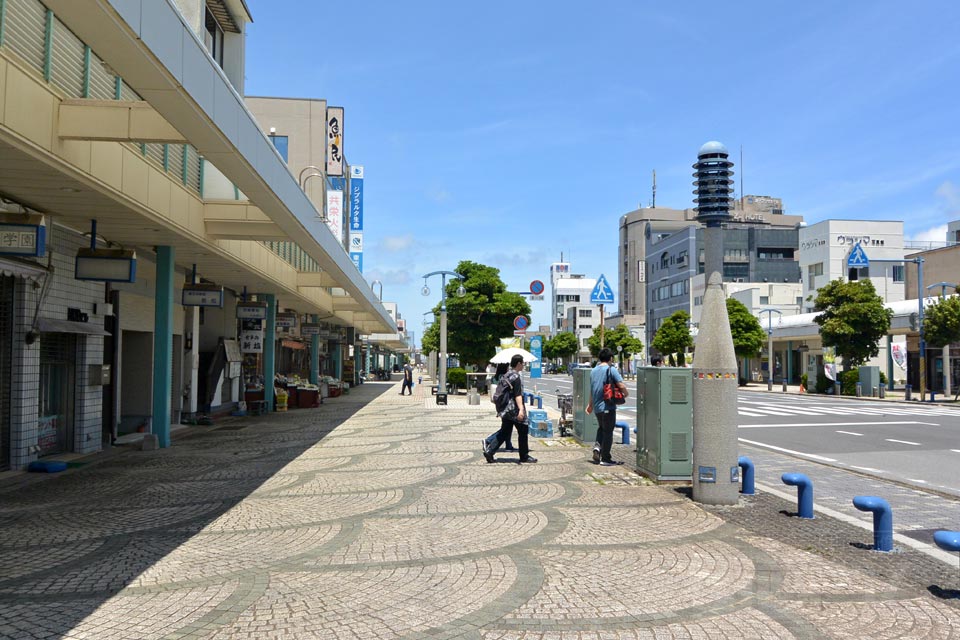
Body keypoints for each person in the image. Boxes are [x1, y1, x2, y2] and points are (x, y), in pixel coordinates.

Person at [483, 354, 536, 463]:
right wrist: (521, 410)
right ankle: (524, 456)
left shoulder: (507, 374)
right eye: (523, 363)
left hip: (504, 409)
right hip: (513, 409)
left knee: (505, 431)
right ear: (519, 363)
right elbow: (517, 395)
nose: (523, 365)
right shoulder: (516, 377)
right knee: (523, 430)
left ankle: (490, 451)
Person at [586, 347, 629, 466]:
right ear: (610, 358)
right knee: (608, 431)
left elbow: (592, 389)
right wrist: (625, 393)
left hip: (597, 408)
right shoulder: (611, 369)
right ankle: (606, 458)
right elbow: (620, 384)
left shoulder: (593, 371)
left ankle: (597, 448)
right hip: (608, 406)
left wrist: (590, 405)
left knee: (601, 428)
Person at [487, 362, 515, 451]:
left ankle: (508, 444)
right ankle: (489, 440)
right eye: (507, 367)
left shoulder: (494, 377)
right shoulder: (505, 377)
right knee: (506, 426)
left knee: (506, 425)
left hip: (499, 403)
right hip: (506, 403)